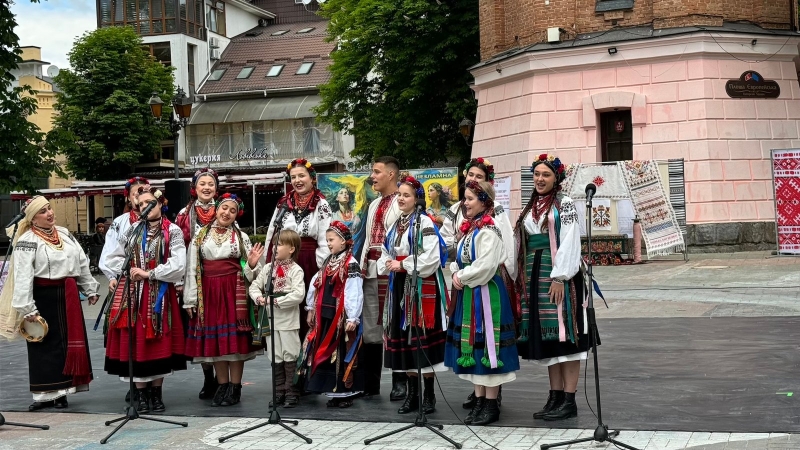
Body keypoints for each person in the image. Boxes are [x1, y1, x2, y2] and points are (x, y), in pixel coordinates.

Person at [0, 196, 99, 411]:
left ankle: (63, 392)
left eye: (49, 208)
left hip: (68, 295)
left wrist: (89, 288)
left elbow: (81, 262)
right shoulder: (27, 240)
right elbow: (23, 275)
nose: (50, 213)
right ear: (33, 218)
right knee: (44, 344)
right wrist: (28, 308)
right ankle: (45, 394)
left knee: (66, 344)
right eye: (43, 211)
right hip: (42, 297)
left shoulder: (63, 233)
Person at [515, 153, 590, 421]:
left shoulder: (564, 204)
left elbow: (570, 240)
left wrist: (560, 277)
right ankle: (555, 396)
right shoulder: (531, 206)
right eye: (536, 174)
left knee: (566, 337)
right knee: (550, 339)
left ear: (556, 178)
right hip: (535, 274)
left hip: (560, 275)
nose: (540, 179)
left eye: (546, 175)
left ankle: (569, 400)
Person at [439, 158, 517, 409]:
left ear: (484, 201)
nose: (465, 203)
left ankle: (491, 404)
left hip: (486, 295)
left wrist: (460, 276)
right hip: (471, 294)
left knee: (488, 346)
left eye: (471, 199)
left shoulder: (488, 230)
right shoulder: (470, 229)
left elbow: (485, 266)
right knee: (473, 344)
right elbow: (459, 259)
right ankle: (481, 399)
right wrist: (455, 271)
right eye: (465, 199)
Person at [103, 188, 187, 413]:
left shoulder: (173, 231)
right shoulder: (132, 230)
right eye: (141, 205)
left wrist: (149, 273)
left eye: (150, 203)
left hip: (159, 294)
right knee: (136, 343)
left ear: (161, 204)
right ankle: (140, 394)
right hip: (133, 295)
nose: (145, 207)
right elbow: (112, 256)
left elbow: (179, 264)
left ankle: (156, 394)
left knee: (158, 342)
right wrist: (116, 276)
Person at [183, 193, 264, 407]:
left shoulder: (241, 237)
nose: (227, 213)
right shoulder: (201, 235)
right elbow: (192, 268)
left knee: (234, 343)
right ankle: (222, 384)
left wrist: (253, 265)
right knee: (218, 341)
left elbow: (248, 270)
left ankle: (235, 388)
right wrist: (190, 300)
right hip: (209, 292)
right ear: (216, 209)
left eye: (232, 210)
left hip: (233, 291)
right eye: (224, 208)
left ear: (237, 214)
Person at [378, 175, 449, 415]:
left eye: (406, 195)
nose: (401, 198)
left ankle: (429, 395)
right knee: (403, 340)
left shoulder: (424, 223)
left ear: (417, 199)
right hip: (398, 285)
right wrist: (388, 262)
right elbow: (384, 250)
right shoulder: (396, 224)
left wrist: (404, 265)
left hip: (419, 286)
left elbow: (431, 257)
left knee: (420, 340)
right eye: (399, 194)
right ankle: (412, 394)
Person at [265, 158, 331, 340]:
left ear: (312, 178)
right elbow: (272, 234)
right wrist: (269, 262)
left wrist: (320, 268)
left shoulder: (321, 203)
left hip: (309, 261)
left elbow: (326, 239)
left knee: (307, 308)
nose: (297, 180)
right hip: (285, 260)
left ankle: (307, 357)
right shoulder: (283, 203)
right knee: (287, 306)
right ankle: (288, 357)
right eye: (293, 177)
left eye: (302, 175)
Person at [302, 221, 364, 408]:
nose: (328, 244)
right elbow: (316, 283)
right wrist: (311, 306)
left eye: (331, 240)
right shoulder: (329, 261)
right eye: (327, 240)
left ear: (343, 242)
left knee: (342, 352)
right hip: (326, 314)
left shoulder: (351, 263)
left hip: (342, 317)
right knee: (328, 355)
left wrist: (353, 316)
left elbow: (354, 290)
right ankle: (333, 392)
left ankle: (345, 393)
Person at [359, 156, 406, 400]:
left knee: (395, 324)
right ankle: (370, 382)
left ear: (391, 174)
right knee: (371, 327)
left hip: (391, 269)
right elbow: (367, 239)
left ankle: (400, 380)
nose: (372, 176)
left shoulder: (402, 202)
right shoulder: (374, 204)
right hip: (371, 270)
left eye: (376, 172)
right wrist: (360, 265)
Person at [175, 167, 221, 400]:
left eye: (210, 184)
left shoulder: (224, 210)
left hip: (219, 278)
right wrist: (181, 281)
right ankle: (208, 378)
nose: (206, 187)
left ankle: (224, 379)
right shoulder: (184, 214)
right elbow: (178, 248)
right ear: (194, 188)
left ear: (216, 188)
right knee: (200, 328)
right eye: (202, 183)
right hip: (194, 277)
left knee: (219, 326)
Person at [248, 229, 305, 408]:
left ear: (292, 249)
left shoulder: (296, 270)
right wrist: (258, 298)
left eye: (279, 244)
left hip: (287, 320)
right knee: (275, 355)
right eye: (275, 244)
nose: (275, 247)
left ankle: (292, 391)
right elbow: (254, 286)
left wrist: (275, 301)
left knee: (290, 354)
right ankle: (279, 390)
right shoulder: (267, 268)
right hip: (270, 320)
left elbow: (298, 294)